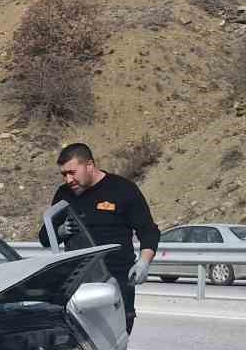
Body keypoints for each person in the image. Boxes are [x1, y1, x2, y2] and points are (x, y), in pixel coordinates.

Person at [37, 142, 160, 334]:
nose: (68, 179)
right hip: (79, 285)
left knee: (116, 341)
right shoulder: (64, 195)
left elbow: (149, 231)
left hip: (117, 282)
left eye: (72, 172)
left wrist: (144, 262)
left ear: (89, 165)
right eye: (64, 174)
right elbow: (45, 237)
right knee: (81, 346)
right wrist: (59, 231)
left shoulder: (122, 189)